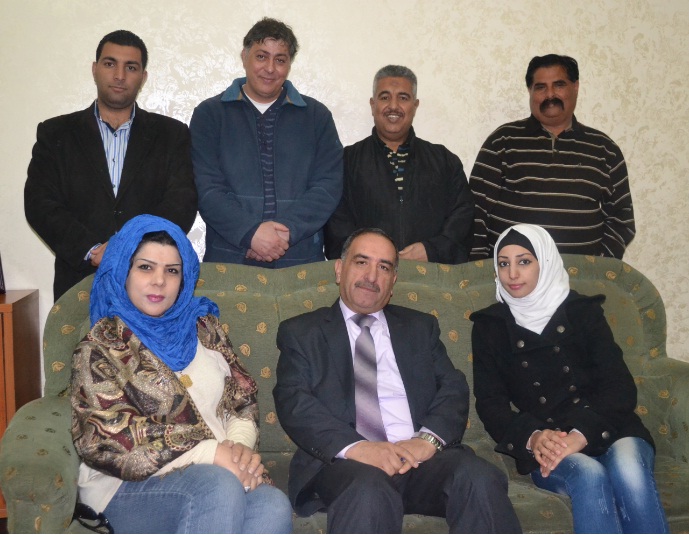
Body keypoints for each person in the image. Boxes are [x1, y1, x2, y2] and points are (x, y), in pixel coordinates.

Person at [273, 228, 521, 533]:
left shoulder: (420, 327)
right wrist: (359, 448)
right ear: (339, 269)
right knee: (368, 489)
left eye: (384, 267)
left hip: (418, 460)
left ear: (393, 281)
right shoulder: (302, 332)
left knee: (478, 477)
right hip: (346, 466)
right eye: (361, 262)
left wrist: (427, 441)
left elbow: (453, 388)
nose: (371, 276)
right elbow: (293, 401)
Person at [70, 214, 293, 533]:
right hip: (124, 488)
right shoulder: (101, 347)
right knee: (216, 486)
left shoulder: (204, 327)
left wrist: (239, 451)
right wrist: (213, 454)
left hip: (220, 472)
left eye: (172, 270)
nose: (159, 281)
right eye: (145, 267)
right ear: (123, 271)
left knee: (272, 504)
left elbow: (240, 398)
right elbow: (107, 439)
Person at [470, 223, 668, 534]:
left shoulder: (582, 311)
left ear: (546, 262)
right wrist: (534, 437)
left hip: (610, 425)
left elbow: (619, 387)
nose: (512, 274)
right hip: (549, 441)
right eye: (503, 263)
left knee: (629, 469)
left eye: (524, 261)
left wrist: (581, 434)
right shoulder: (489, 326)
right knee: (589, 475)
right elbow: (490, 402)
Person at [25, 30, 197, 301]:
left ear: (143, 77)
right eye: (110, 64)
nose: (119, 75)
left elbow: (182, 202)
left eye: (131, 67)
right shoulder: (56, 133)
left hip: (152, 284)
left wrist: (131, 248)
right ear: (94, 70)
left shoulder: (172, 134)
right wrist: (93, 250)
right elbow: (40, 204)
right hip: (78, 284)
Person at [190, 17, 342, 267]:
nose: (270, 68)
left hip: (301, 259)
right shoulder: (210, 115)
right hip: (229, 259)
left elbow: (328, 186)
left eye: (280, 60)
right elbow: (206, 188)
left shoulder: (317, 116)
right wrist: (250, 233)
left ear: (289, 64)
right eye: (261, 56)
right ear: (244, 57)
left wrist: (284, 233)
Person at [469, 54, 635, 260]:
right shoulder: (502, 141)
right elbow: (474, 211)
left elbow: (622, 218)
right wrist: (482, 267)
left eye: (559, 85)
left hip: (580, 276)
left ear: (575, 87)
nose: (550, 95)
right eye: (540, 87)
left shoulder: (604, 149)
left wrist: (598, 266)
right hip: (511, 275)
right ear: (530, 91)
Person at [324, 65, 474, 264]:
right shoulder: (346, 161)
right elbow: (336, 224)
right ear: (373, 105)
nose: (393, 106)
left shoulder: (444, 161)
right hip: (368, 275)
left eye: (403, 98)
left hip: (431, 274)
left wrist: (432, 250)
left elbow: (463, 217)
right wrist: (373, 256)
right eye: (385, 97)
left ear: (415, 105)